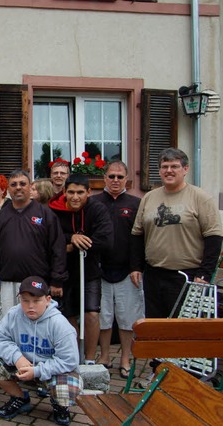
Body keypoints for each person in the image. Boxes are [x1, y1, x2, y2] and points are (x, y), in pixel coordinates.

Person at [130, 148, 223, 319]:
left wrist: (204, 274)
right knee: (156, 328)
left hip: (188, 276)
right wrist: (136, 266)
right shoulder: (149, 198)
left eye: (174, 166)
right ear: (159, 170)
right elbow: (138, 234)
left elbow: (214, 238)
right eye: (164, 166)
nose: (169, 171)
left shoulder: (201, 198)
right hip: (154, 275)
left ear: (185, 169)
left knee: (184, 331)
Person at [0, 276, 81, 425]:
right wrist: (17, 358)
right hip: (23, 366)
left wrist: (37, 371)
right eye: (25, 300)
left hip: (50, 371)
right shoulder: (13, 314)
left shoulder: (60, 324)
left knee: (67, 389)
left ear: (48, 300)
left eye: (36, 301)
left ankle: (60, 405)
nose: (30, 306)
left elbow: (69, 360)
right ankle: (20, 398)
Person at [0, 170, 67, 319]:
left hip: (38, 282)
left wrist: (57, 280)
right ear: (8, 189)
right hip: (8, 283)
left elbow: (58, 249)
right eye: (14, 184)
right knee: (9, 323)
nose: (18, 187)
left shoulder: (45, 214)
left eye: (23, 184)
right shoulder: (1, 217)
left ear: (30, 187)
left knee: (37, 324)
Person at [49, 173, 113, 363]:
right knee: (68, 315)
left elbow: (106, 240)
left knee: (92, 313)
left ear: (88, 192)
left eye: (80, 192)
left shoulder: (98, 209)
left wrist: (74, 244)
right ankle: (73, 356)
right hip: (64, 271)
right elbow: (51, 239)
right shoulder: (54, 210)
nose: (75, 197)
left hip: (90, 270)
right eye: (71, 192)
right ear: (64, 192)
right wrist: (70, 238)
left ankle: (90, 358)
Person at [93, 161, 142, 377]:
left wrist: (136, 267)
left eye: (120, 177)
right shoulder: (93, 203)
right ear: (104, 178)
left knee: (126, 317)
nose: (115, 180)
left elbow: (140, 239)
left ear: (126, 180)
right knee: (103, 317)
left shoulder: (136, 204)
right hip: (100, 271)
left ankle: (125, 359)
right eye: (111, 176)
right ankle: (104, 356)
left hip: (128, 272)